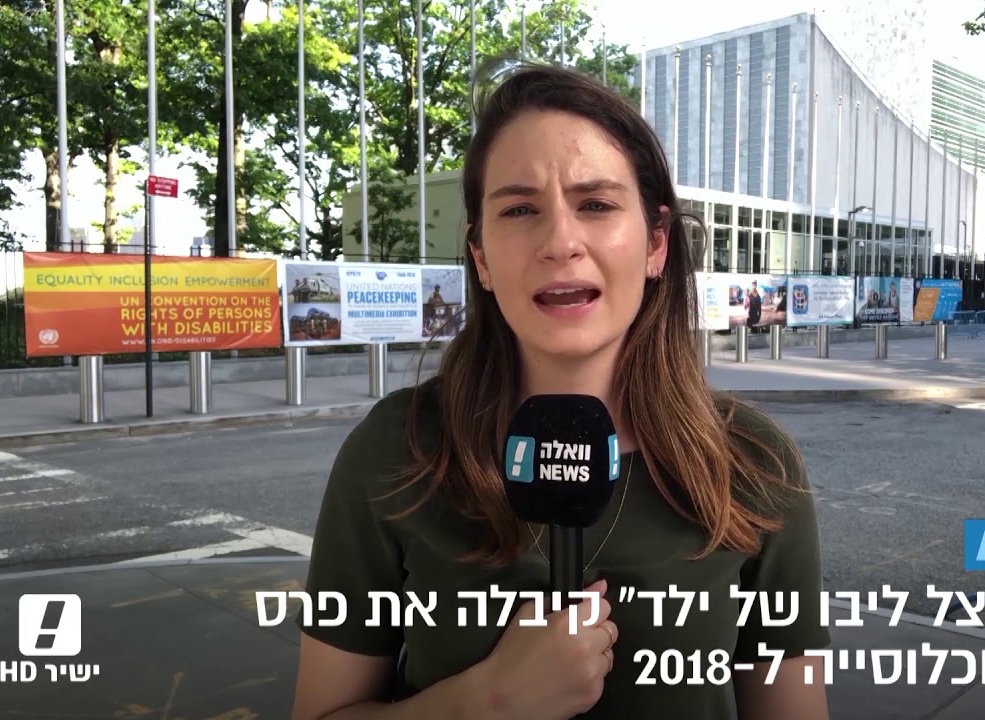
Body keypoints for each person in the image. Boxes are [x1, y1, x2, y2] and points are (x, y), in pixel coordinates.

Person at [291, 59, 830, 720]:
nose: (560, 241)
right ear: (481, 257)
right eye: (519, 209)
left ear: (656, 243)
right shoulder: (396, 451)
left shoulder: (754, 463)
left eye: (596, 204)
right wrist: (486, 702)